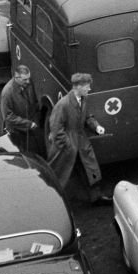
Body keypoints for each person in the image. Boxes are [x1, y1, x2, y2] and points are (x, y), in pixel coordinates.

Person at [47, 73, 109, 205]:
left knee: (91, 170)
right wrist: (69, 145)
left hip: (81, 142)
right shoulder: (63, 104)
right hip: (66, 146)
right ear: (78, 87)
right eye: (87, 87)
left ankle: (96, 197)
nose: (89, 89)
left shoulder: (83, 99)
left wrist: (96, 127)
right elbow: (56, 129)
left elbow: (87, 117)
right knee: (60, 175)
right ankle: (55, 203)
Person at [0, 64, 42, 155]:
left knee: (33, 153)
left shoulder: (28, 84)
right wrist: (28, 124)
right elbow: (8, 117)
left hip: (29, 129)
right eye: (25, 79)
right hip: (16, 132)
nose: (28, 81)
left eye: (28, 78)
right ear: (17, 78)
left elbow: (34, 102)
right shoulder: (7, 93)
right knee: (21, 157)